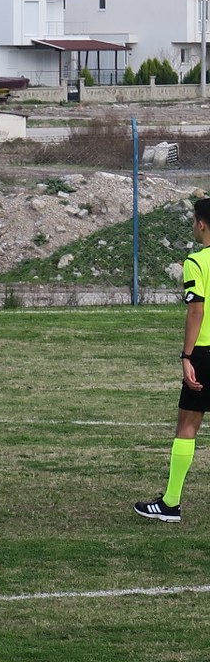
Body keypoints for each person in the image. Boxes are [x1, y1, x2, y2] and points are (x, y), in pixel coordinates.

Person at [134, 197, 210, 523]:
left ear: (202, 223)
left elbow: (196, 310)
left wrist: (187, 355)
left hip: (205, 353)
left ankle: (170, 503)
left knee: (187, 426)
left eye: (194, 220)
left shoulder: (196, 261)